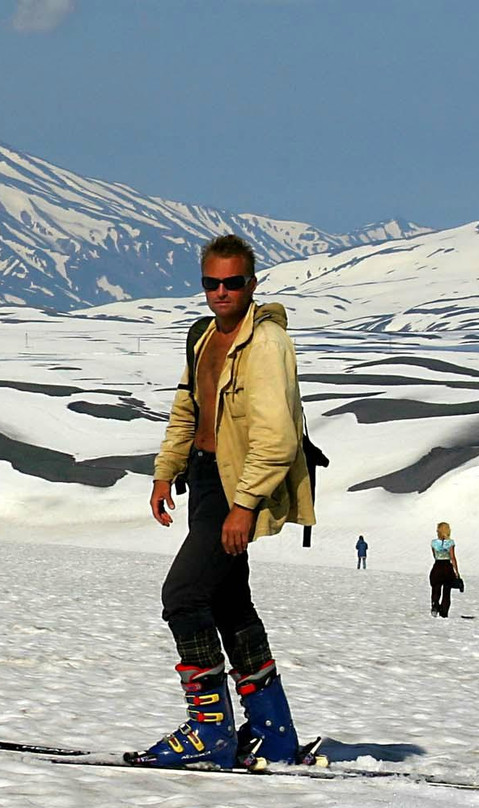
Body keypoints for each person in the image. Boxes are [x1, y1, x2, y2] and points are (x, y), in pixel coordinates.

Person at [134, 233, 315, 770]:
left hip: (237, 486)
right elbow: (187, 409)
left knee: (184, 595)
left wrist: (245, 504)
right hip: (206, 478)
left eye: (232, 282)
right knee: (228, 602)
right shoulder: (203, 335)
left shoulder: (265, 344)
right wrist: (165, 472)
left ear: (251, 284)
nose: (221, 292)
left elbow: (278, 438)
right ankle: (274, 734)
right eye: (211, 283)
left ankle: (209, 729)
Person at [429, 522, 459, 617]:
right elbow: (452, 557)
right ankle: (444, 612)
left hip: (437, 566)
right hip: (447, 567)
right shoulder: (450, 543)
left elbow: (434, 555)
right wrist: (456, 571)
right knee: (447, 591)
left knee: (436, 588)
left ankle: (435, 605)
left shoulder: (434, 543)